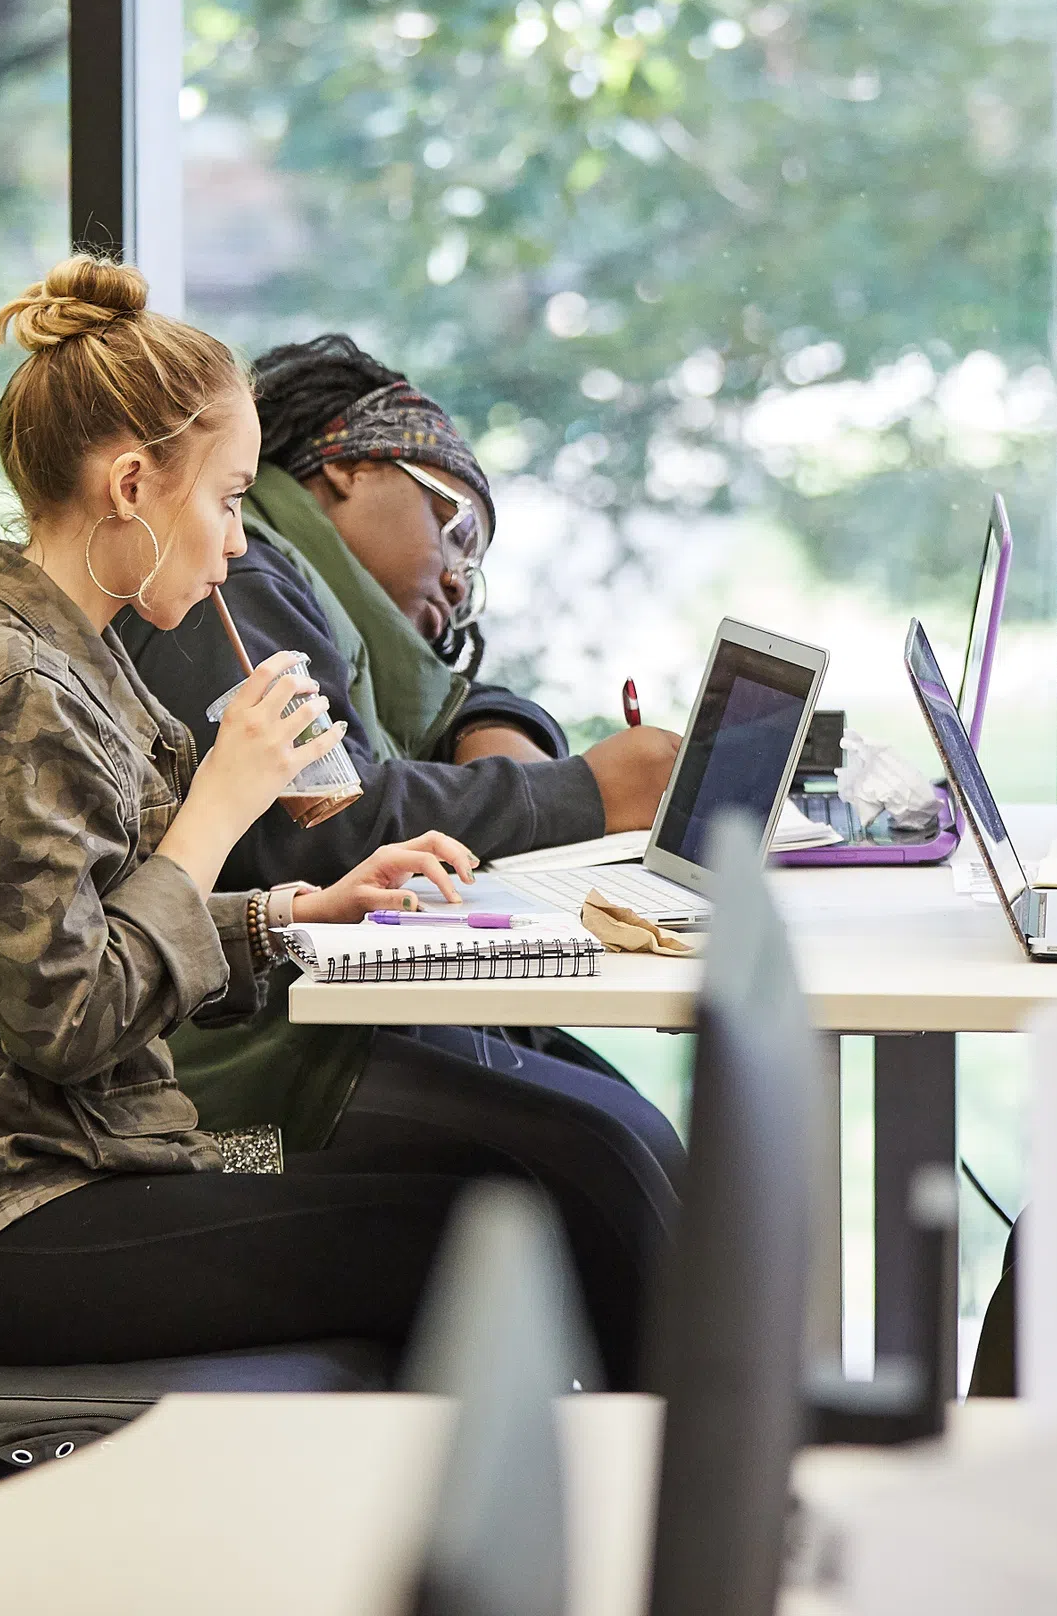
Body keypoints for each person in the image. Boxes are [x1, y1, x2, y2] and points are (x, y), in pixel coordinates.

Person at [0, 256, 678, 1383]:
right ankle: (596, 1527)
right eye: (230, 499)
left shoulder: (74, 659)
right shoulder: (8, 686)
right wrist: (221, 806)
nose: (238, 542)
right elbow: (69, 1016)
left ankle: (630, 1512)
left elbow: (114, 935)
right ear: (132, 485)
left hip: (120, 1149)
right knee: (472, 1232)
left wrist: (298, 909)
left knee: (514, 1197)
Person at [119, 334, 687, 1153]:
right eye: (454, 529)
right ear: (351, 467)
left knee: (623, 1131)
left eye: (477, 569)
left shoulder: (315, 602)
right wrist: (580, 795)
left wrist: (500, 733)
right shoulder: (232, 587)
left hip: (296, 1030)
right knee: (607, 1157)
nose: (460, 580)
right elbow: (320, 823)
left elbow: (431, 698)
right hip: (234, 1076)